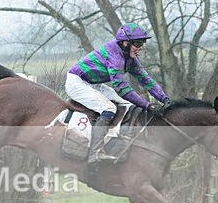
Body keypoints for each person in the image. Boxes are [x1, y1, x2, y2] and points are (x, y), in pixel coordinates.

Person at [65, 22, 172, 181]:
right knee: (109, 109)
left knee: (127, 106)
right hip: (76, 82)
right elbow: (121, 88)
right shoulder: (115, 55)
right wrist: (147, 105)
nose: (140, 47)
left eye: (142, 43)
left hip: (94, 84)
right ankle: (93, 156)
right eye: (137, 43)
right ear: (125, 42)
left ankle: (115, 144)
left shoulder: (129, 57)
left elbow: (146, 80)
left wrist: (164, 98)